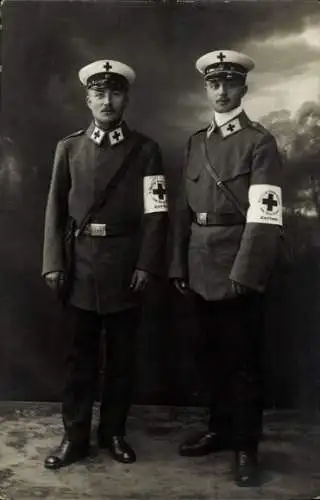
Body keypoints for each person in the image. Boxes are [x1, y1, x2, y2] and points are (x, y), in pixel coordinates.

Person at [42, 59, 168, 469]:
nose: (107, 101)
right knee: (78, 360)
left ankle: (113, 432)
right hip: (79, 267)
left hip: (125, 268)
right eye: (99, 93)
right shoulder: (70, 147)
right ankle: (74, 437)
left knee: (121, 359)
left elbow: (156, 214)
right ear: (87, 99)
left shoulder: (146, 151)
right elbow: (55, 212)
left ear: (126, 98)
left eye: (115, 93)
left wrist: (147, 264)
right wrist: (53, 263)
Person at [169, 50, 282, 486]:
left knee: (243, 363)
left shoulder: (259, 142)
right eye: (214, 83)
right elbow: (184, 208)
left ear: (243, 89)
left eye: (229, 83)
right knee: (210, 356)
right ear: (206, 88)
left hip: (238, 266)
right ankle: (219, 429)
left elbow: (266, 215)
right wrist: (179, 261)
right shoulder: (196, 142)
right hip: (199, 264)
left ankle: (245, 446)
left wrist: (245, 273)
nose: (221, 90)